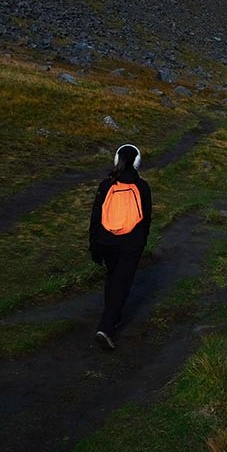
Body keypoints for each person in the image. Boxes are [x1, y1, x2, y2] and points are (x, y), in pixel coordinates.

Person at [89, 143, 152, 350]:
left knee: (113, 278)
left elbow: (95, 217)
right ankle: (106, 328)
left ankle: (112, 317)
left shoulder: (105, 184)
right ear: (137, 162)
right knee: (121, 284)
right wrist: (142, 243)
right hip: (131, 243)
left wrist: (94, 246)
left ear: (116, 159)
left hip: (105, 241)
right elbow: (146, 220)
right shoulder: (143, 187)